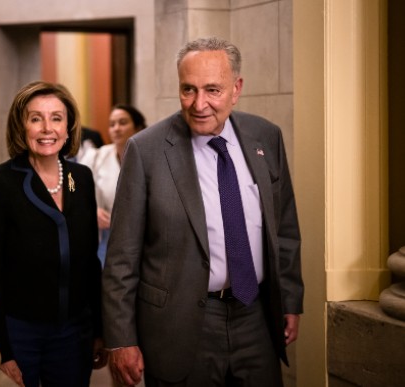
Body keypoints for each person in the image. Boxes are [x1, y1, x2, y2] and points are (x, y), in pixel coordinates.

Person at [102, 37, 303, 387]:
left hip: (256, 316)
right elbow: (121, 255)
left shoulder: (265, 137)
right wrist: (121, 339)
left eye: (213, 90)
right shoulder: (146, 150)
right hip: (180, 325)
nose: (199, 104)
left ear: (236, 88)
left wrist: (289, 299)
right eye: (188, 90)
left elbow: (284, 227)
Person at [0, 80, 108, 387]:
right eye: (36, 118)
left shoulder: (79, 178)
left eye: (56, 118)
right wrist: (0, 349)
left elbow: (89, 262)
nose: (48, 128)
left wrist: (99, 329)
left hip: (74, 333)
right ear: (21, 126)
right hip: (19, 335)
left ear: (69, 125)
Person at [79, 104, 147, 267]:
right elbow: (76, 194)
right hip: (105, 236)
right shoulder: (96, 157)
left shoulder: (150, 158)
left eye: (123, 123)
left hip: (141, 236)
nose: (116, 128)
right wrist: (92, 211)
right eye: (112, 124)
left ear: (137, 127)